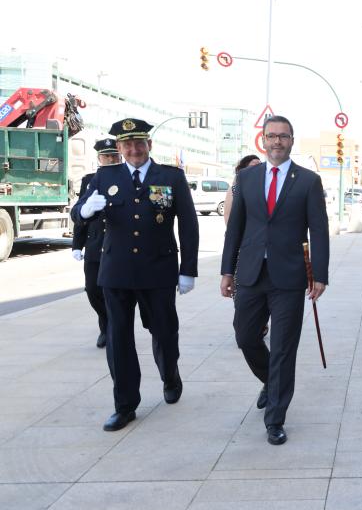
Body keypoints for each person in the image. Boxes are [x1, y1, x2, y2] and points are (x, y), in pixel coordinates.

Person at [71, 118, 200, 431]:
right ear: (119, 148)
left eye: (139, 143)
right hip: (116, 271)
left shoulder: (170, 176)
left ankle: (170, 375)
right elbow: (78, 213)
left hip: (158, 269)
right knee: (119, 339)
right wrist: (86, 211)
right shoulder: (105, 176)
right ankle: (125, 405)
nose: (134, 149)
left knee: (165, 332)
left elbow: (188, 224)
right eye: (127, 145)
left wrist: (188, 271)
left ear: (149, 146)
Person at [220, 115, 330, 446]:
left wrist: (320, 275)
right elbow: (235, 228)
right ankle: (270, 379)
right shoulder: (247, 178)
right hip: (251, 273)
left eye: (283, 136)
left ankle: (275, 419)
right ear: (263, 141)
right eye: (272, 136)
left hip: (290, 277)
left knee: (283, 347)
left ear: (292, 141)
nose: (277, 142)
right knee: (245, 336)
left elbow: (319, 231)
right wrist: (227, 270)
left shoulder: (308, 181)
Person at [71, 138, 122, 348]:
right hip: (95, 244)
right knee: (92, 290)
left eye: (113, 156)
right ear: (99, 158)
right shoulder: (90, 179)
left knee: (114, 292)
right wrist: (76, 244)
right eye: (106, 156)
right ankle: (106, 323)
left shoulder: (126, 177)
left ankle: (111, 329)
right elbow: (81, 213)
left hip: (117, 246)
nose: (110, 160)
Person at [224, 154, 262, 225]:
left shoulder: (266, 189)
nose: (258, 169)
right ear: (243, 170)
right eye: (253, 167)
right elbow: (228, 216)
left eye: (260, 166)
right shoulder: (234, 190)